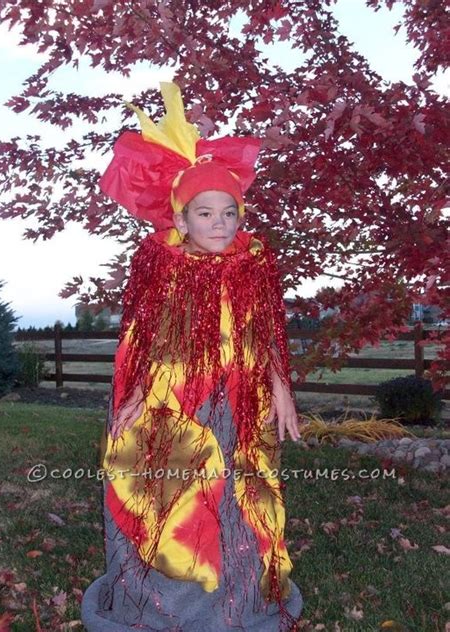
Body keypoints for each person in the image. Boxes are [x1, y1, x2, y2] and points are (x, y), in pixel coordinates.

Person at [81, 82, 304, 632]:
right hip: (175, 401)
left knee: (239, 491)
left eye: (230, 212)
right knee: (177, 493)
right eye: (206, 214)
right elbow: (144, 337)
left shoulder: (253, 264)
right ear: (181, 219)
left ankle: (237, 596)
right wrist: (133, 396)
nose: (221, 224)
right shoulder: (165, 267)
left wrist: (280, 388)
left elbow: (267, 330)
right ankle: (170, 602)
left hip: (241, 402)